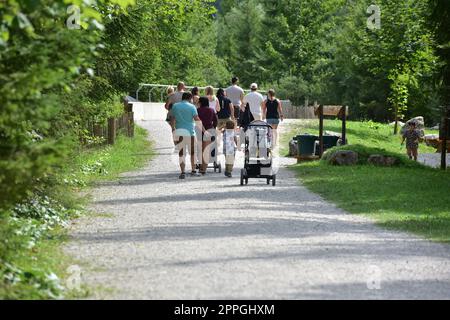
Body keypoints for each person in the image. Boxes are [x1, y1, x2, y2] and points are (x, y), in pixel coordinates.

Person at [170, 92, 202, 179]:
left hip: (179, 131)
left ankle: (183, 172)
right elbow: (196, 119)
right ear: (190, 98)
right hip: (190, 132)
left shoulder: (175, 106)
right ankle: (193, 170)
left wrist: (173, 128)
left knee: (181, 153)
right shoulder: (192, 107)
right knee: (192, 152)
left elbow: (172, 118)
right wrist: (203, 129)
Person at [197, 97, 218, 175]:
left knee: (200, 150)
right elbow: (215, 120)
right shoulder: (211, 110)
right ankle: (204, 169)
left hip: (199, 131)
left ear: (201, 102)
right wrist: (214, 128)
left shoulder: (197, 110)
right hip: (209, 130)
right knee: (206, 150)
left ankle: (201, 166)